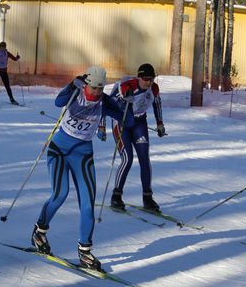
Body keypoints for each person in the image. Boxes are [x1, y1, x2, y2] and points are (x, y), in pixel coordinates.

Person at [30, 66, 124, 270]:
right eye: (93, 88)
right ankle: (39, 231)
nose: (96, 93)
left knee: (88, 203)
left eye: (100, 88)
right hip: (59, 150)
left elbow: (126, 118)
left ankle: (85, 252)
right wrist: (71, 84)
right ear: (87, 84)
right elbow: (58, 102)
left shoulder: (104, 101)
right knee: (60, 194)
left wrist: (126, 109)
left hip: (82, 154)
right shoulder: (76, 92)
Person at [105, 63, 166, 212]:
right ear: (139, 77)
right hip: (121, 123)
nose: (149, 82)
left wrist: (160, 124)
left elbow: (157, 104)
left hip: (139, 123)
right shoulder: (127, 86)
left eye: (151, 79)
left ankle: (147, 197)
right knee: (127, 159)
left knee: (144, 158)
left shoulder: (154, 88)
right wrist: (101, 126)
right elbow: (105, 104)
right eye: (145, 79)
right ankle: (116, 195)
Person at [0, 41, 21, 105]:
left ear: (5, 47)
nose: (2, 49)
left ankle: (12, 100)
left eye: (4, 48)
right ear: (0, 47)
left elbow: (15, 59)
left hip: (3, 71)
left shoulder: (7, 53)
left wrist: (18, 57)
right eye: (1, 47)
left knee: (7, 86)